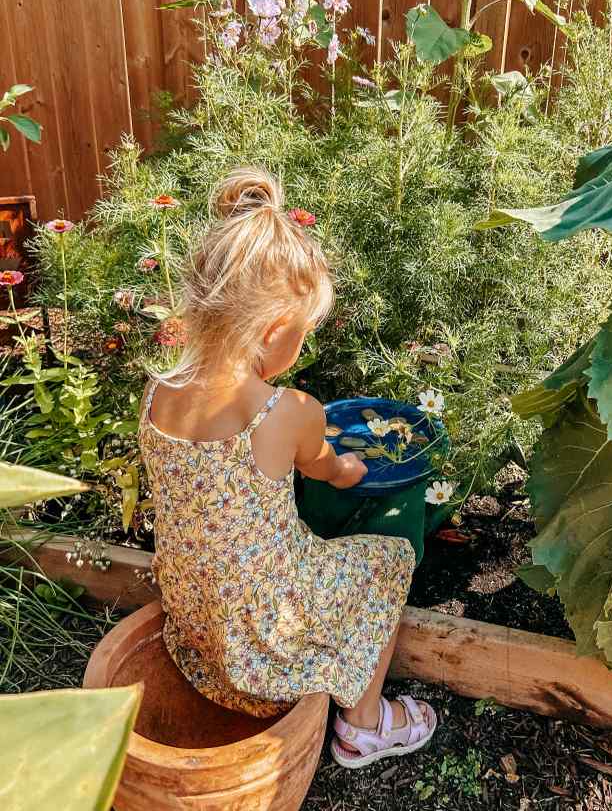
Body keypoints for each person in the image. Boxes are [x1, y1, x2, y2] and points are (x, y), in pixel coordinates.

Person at [138, 167, 436, 768]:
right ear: (275, 331)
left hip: (195, 629)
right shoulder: (288, 411)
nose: (302, 345)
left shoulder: (155, 393)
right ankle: (365, 723)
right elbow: (334, 470)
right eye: (303, 333)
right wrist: (352, 469)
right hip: (265, 640)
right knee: (386, 561)